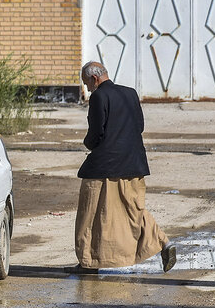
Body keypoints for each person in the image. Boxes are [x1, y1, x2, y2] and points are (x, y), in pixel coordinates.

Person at [70, 62, 176, 274]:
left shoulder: (99, 97)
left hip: (105, 168)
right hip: (134, 163)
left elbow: (97, 133)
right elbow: (140, 126)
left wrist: (88, 144)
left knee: (89, 213)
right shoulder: (130, 93)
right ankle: (164, 243)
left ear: (95, 79)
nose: (88, 89)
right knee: (133, 209)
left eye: (87, 84)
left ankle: (87, 262)